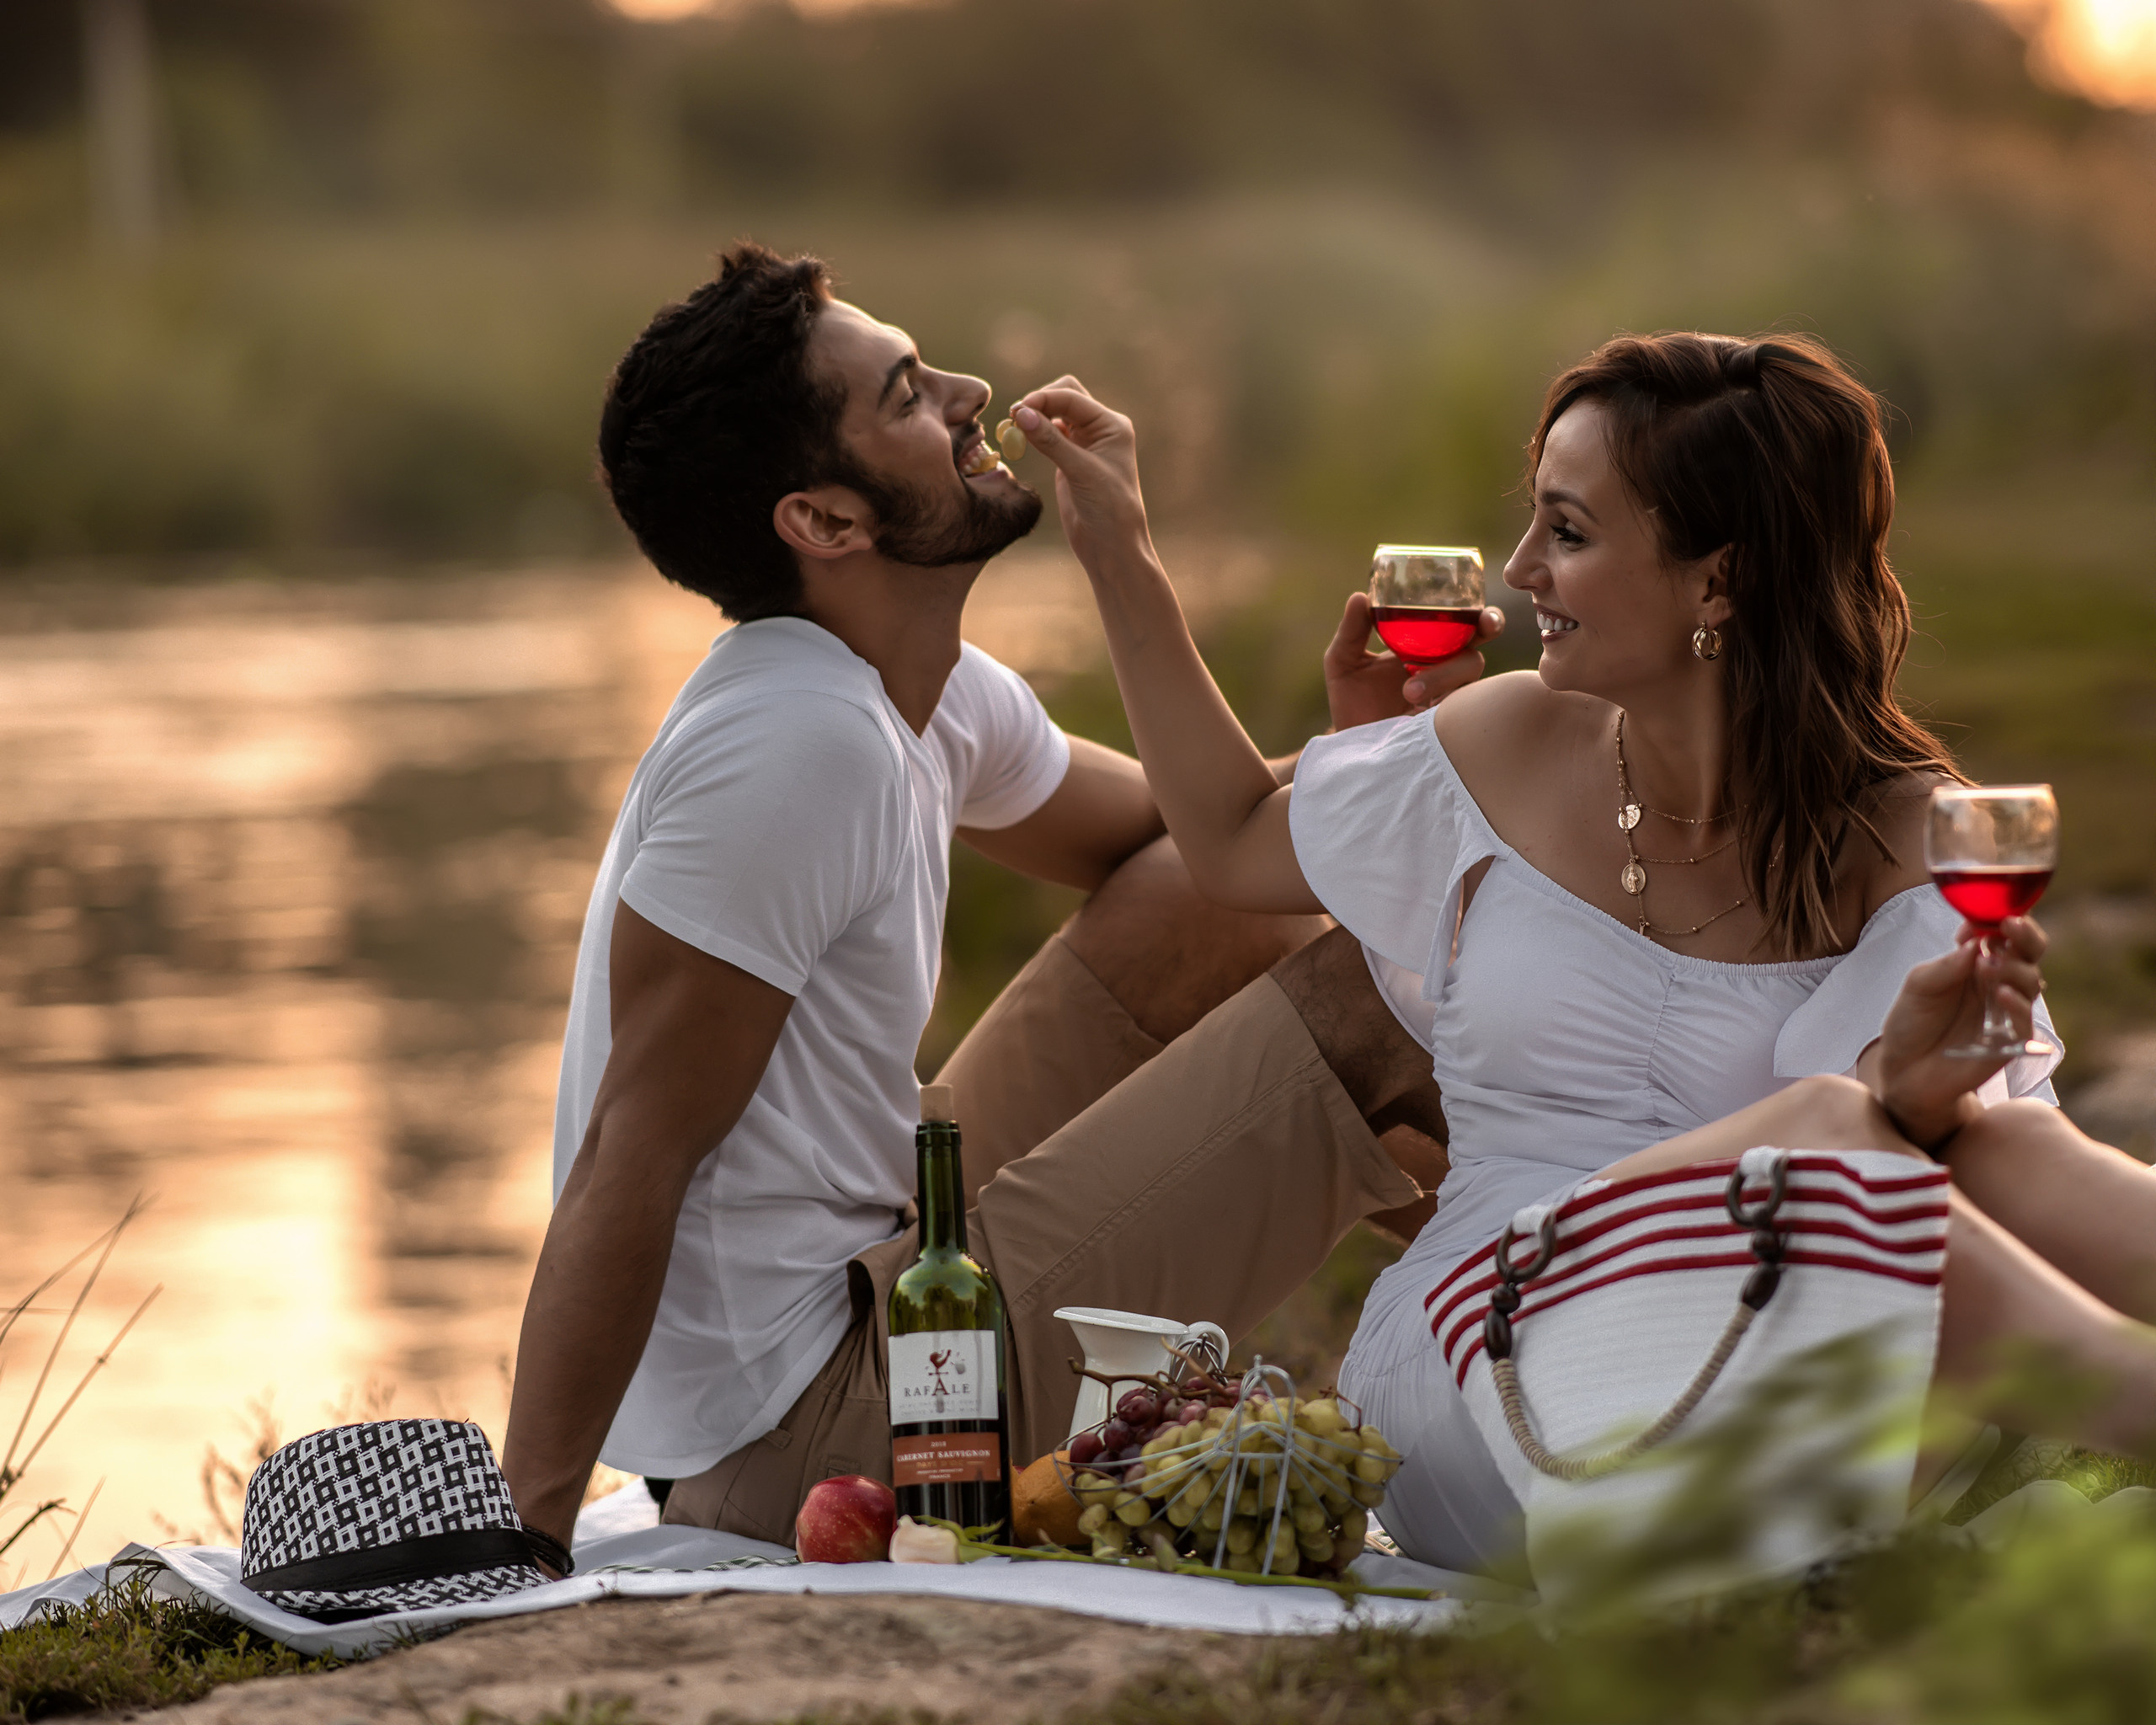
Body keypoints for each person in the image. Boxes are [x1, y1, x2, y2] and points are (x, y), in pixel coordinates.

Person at [1010, 330, 2156, 1577]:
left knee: (1994, 1140)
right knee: (1833, 1122)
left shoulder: (1900, 837)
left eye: (1568, 532)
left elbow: (1913, 1146)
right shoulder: (1507, 737)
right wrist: (1117, 546)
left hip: (1739, 1354)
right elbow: (1231, 843)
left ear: (1720, 583)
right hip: (1479, 1351)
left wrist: (1925, 1089)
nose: (1516, 573)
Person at [498, 243, 1484, 1561]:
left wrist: (1410, 753)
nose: (968, 392)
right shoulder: (794, 745)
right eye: (906, 395)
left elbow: (1221, 849)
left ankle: (1554, 1322)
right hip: (815, 1433)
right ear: (828, 522)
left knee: (1211, 904)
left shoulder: (921, 689)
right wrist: (524, 1539)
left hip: (888, 1280)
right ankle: (1581, 1354)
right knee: (1368, 1005)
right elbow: (633, 1152)